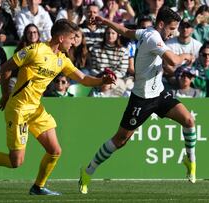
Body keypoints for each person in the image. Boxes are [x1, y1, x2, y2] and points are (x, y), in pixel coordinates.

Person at [0, 19, 116, 195]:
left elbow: (83, 79)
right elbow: (5, 68)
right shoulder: (35, 50)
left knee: (55, 151)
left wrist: (101, 81)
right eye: (71, 38)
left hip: (36, 110)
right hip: (19, 109)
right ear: (61, 38)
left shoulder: (62, 60)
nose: (73, 42)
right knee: (16, 162)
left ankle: (38, 187)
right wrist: (6, 94)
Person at [78, 6, 196, 195]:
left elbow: (125, 31)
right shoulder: (153, 38)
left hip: (159, 93)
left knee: (189, 120)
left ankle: (190, 160)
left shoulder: (146, 32)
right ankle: (88, 171)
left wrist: (105, 21)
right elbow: (173, 61)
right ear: (161, 24)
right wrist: (187, 55)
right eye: (171, 29)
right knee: (121, 139)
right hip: (141, 99)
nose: (173, 33)